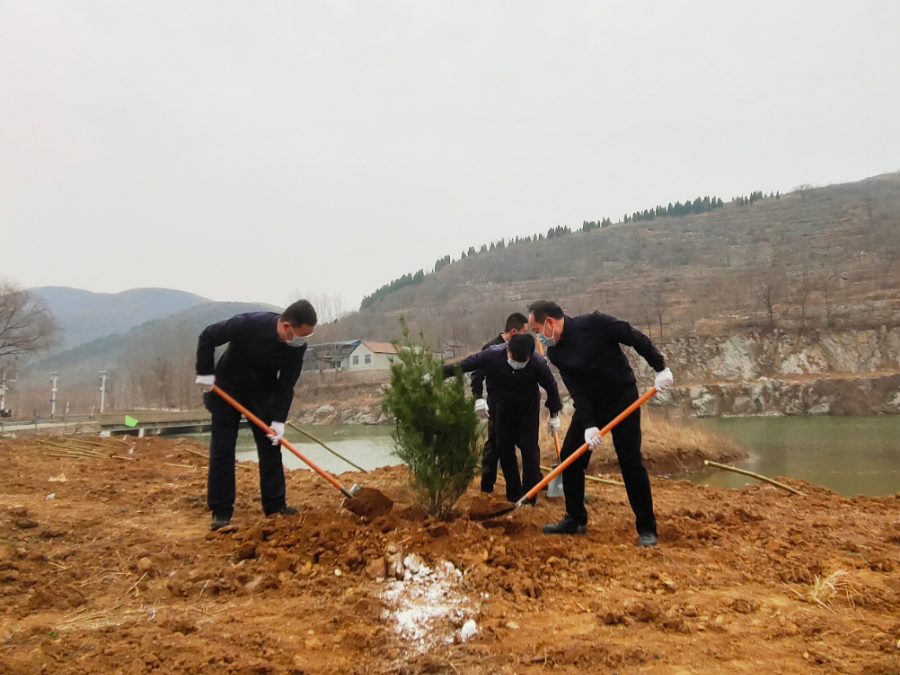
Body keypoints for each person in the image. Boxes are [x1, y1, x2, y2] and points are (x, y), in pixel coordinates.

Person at [527, 300, 673, 546]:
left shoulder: (594, 323)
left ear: (549, 323)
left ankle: (647, 528)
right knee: (571, 460)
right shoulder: (555, 352)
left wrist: (659, 367)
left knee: (630, 463)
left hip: (623, 399)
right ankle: (575, 519)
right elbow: (577, 390)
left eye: (537, 330)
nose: (538, 337)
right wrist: (589, 424)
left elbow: (632, 336)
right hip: (592, 406)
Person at [195, 300, 317, 530]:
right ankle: (221, 511)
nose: (303, 341)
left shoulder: (297, 347)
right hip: (227, 389)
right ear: (287, 325)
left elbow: (287, 384)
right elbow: (208, 336)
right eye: (302, 335)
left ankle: (275, 504)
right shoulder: (248, 324)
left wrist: (279, 420)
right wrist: (205, 373)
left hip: (262, 394)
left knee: (271, 447)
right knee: (223, 449)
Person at [443, 333, 562, 503]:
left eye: (523, 360)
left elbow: (551, 387)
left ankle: (529, 497)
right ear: (508, 350)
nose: (518, 362)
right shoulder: (492, 355)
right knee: (505, 451)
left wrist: (554, 414)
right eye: (514, 357)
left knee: (530, 453)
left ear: (529, 356)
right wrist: (437, 374)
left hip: (527, 412)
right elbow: (465, 365)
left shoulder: (538, 363)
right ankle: (514, 495)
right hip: (502, 410)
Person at [470, 312, 529, 493]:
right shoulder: (491, 349)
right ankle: (487, 487)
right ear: (513, 331)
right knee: (494, 446)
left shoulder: (521, 348)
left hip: (518, 406)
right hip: (496, 406)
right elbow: (476, 374)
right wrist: (478, 398)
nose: (526, 336)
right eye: (524, 332)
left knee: (526, 444)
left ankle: (532, 483)